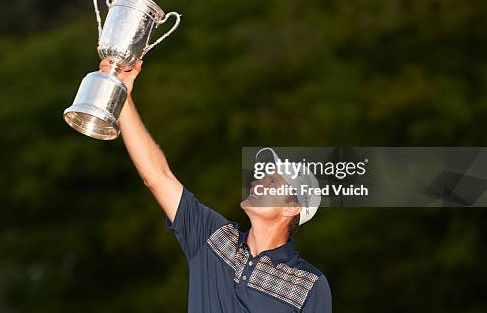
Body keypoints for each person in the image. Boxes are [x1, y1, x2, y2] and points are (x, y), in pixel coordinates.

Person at [101, 58, 332, 312]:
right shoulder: (214, 237)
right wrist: (121, 91)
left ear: (292, 208)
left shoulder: (310, 284)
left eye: (273, 181)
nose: (258, 181)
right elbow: (158, 176)